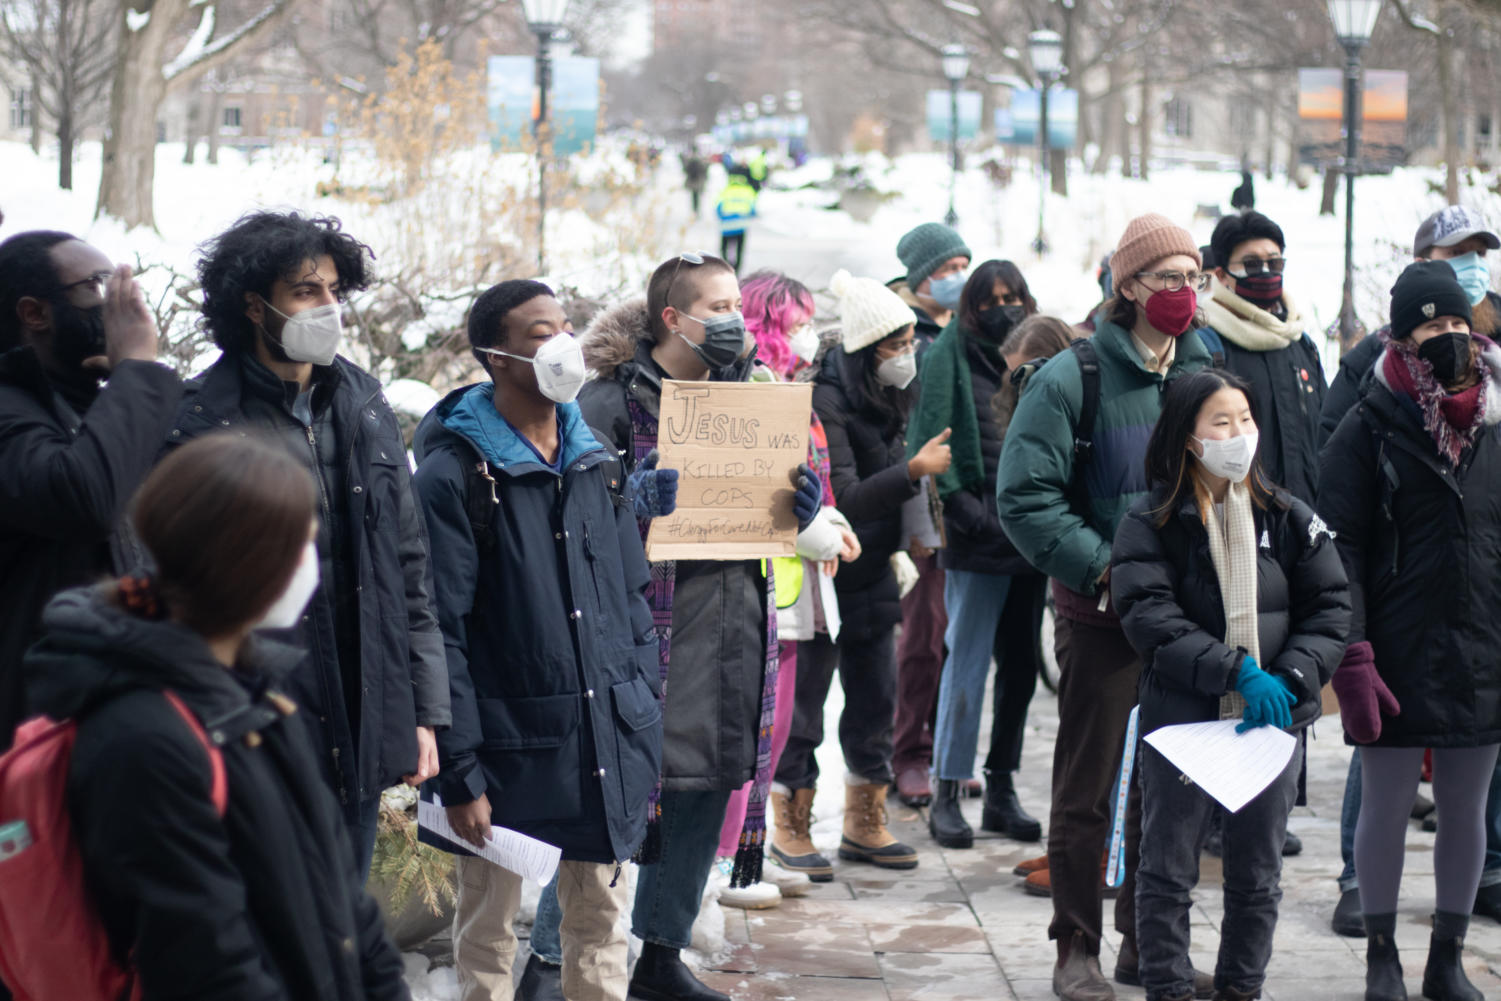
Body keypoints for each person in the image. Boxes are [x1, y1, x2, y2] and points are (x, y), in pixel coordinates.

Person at [23, 434, 410, 1001]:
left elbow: (338, 891)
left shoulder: (258, 690)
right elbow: (204, 967)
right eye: (300, 546)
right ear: (245, 566)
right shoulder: (142, 739)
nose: (311, 564)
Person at [576, 252, 821, 1001]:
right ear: (671, 319)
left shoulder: (752, 395)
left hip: (735, 621)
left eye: (736, 307)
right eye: (714, 308)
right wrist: (630, 501)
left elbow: (780, 491)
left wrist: (798, 501)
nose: (732, 322)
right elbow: (572, 520)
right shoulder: (608, 401)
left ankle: (660, 954)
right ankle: (568, 954)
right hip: (647, 627)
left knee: (707, 782)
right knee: (624, 793)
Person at [411, 280, 664, 1001]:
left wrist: (638, 703)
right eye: (536, 332)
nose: (560, 343)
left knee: (600, 927)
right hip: (502, 752)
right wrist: (457, 771)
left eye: (563, 326)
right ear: (493, 356)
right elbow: (439, 630)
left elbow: (628, 595)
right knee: (487, 936)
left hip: (603, 739)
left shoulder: (593, 461)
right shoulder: (455, 475)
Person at [176, 210, 449, 876]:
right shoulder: (197, 422)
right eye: (307, 291)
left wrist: (421, 710)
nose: (330, 307)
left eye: (335, 290)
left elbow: (408, 571)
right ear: (252, 303)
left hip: (361, 725)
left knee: (342, 927)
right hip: (256, 728)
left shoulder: (362, 403)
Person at [997, 213, 1214, 1001]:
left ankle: (1145, 943)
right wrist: (1106, 572)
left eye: (1195, 278)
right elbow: (1024, 498)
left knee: (1169, 793)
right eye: (1169, 278)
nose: (1184, 294)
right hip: (1103, 618)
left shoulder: (1204, 365)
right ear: (1127, 286)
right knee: (1087, 790)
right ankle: (1074, 947)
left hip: (1189, 623)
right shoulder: (1071, 376)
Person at [1112, 370, 1349, 1001]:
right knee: (1165, 871)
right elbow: (1149, 617)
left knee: (1257, 876)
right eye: (1221, 421)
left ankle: (1242, 989)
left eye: (1245, 418)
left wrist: (1291, 676)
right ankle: (1168, 988)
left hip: (1270, 727)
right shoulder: (1151, 520)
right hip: (1185, 722)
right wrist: (1234, 668)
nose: (1238, 433)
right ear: (1188, 436)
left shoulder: (1291, 517)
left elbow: (1330, 607)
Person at [1320, 261, 1501, 1001]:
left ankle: (1445, 959)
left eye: (1459, 324)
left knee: (1465, 808)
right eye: (1432, 327)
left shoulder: (1495, 421)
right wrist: (1351, 652)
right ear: (1401, 337)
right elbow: (1337, 551)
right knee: (1386, 807)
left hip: (1482, 647)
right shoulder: (1365, 427)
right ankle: (1382, 957)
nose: (1451, 338)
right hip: (1393, 650)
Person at [772, 269, 949, 877]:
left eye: (909, 344)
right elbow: (842, 492)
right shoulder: (826, 397)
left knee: (876, 698)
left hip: (873, 569)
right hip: (823, 572)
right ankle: (790, 823)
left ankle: (864, 822)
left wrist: (916, 532)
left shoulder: (886, 393)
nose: (906, 355)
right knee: (805, 708)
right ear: (865, 350)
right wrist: (914, 471)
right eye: (895, 346)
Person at [0, 231, 181, 749]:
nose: (121, 302)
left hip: (108, 719)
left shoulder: (90, 406)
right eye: (98, 285)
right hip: (31, 729)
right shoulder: (9, 411)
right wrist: (138, 373)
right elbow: (85, 500)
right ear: (36, 313)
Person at [712, 270, 858, 908]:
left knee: (773, 735)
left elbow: (815, 489)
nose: (806, 332)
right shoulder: (754, 394)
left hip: (797, 593)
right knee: (746, 737)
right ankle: (723, 862)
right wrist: (825, 533)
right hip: (767, 584)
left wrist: (833, 524)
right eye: (794, 320)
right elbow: (764, 495)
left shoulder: (794, 391)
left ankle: (753, 850)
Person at [906, 260, 1051, 850]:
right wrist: (975, 516)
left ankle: (1001, 788)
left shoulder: (1041, 355)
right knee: (965, 664)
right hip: (976, 536)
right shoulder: (949, 355)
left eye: (1013, 296)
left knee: (1019, 668)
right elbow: (932, 444)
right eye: (990, 299)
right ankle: (946, 789)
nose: (1004, 307)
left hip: (1030, 538)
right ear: (972, 306)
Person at [887, 221, 973, 808]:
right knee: (921, 636)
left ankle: (946, 750)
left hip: (966, 503)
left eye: (963, 266)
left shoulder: (966, 331)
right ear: (921, 277)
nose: (957, 279)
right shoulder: (895, 335)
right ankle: (908, 753)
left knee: (956, 637)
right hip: (918, 500)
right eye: (946, 270)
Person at [1197, 211, 1326, 506]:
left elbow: (1326, 437)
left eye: (1275, 262)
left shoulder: (1301, 343)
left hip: (1306, 523)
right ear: (1221, 276)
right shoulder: (1206, 347)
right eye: (1251, 263)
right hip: (1240, 523)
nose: (1266, 271)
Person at [716, 173, 758, 272]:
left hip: (726, 224)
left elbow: (718, 207)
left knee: (724, 247)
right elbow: (752, 209)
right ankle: (737, 268)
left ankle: (725, 265)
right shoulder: (748, 191)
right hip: (741, 224)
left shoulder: (726, 191)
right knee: (739, 248)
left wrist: (722, 217)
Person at [682, 151, 708, 216]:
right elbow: (704, 170)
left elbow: (685, 170)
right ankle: (697, 210)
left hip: (692, 181)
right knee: (697, 196)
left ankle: (694, 210)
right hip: (698, 181)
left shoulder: (690, 161)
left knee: (694, 196)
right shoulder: (700, 161)